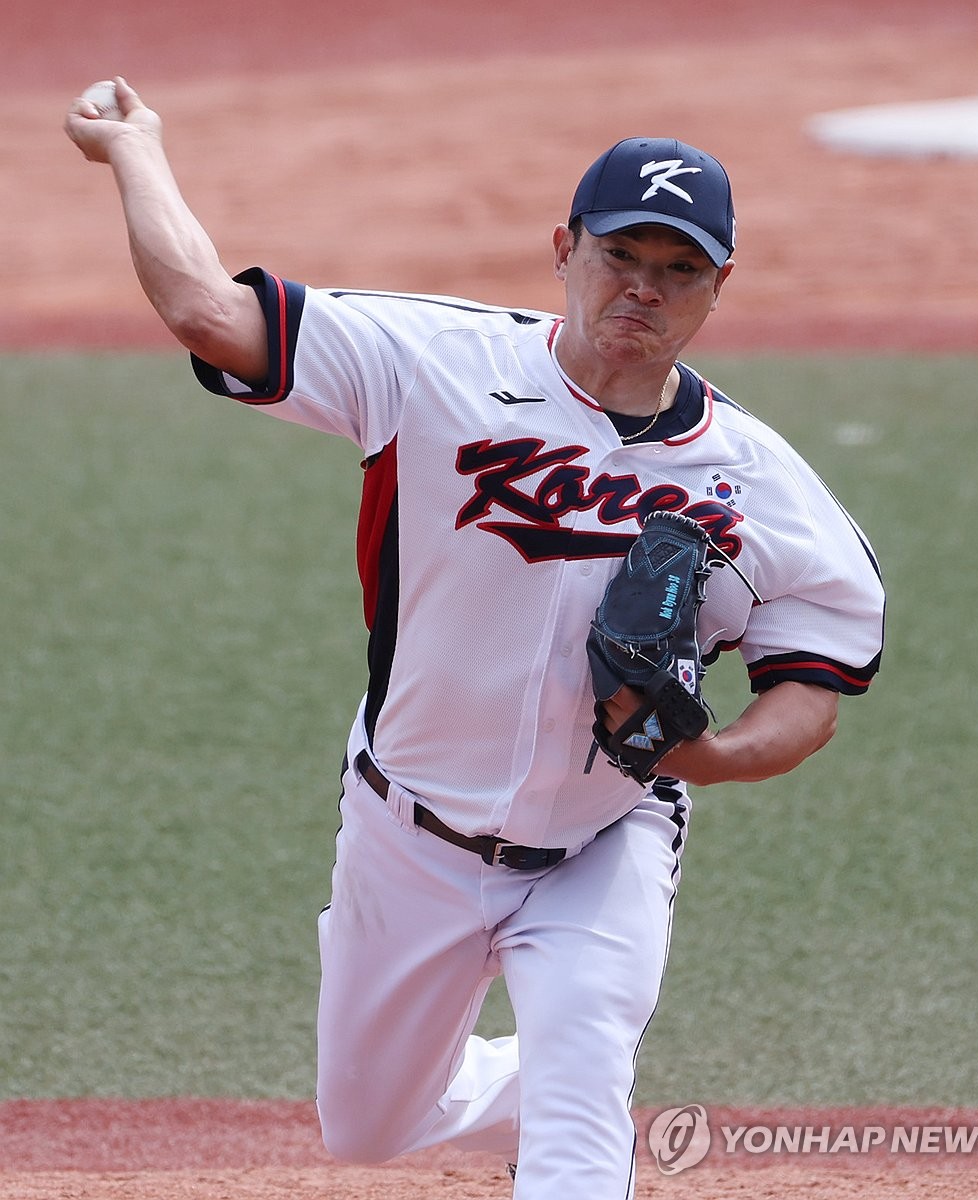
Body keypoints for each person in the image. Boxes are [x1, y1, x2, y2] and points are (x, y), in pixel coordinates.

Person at [65, 79, 885, 1199]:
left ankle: (574, 1099)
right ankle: (542, 1088)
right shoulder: (433, 363)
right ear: (563, 249)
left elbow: (812, 685)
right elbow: (212, 315)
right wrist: (134, 148)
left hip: (606, 835)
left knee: (582, 1083)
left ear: (718, 286)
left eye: (679, 268)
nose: (643, 288)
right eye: (619, 254)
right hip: (409, 828)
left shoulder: (760, 484)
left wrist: (711, 756)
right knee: (369, 1126)